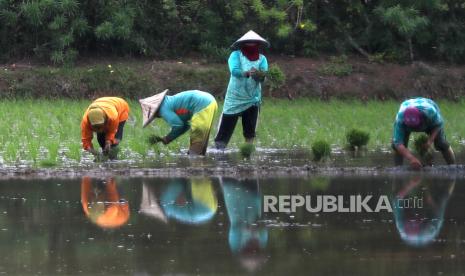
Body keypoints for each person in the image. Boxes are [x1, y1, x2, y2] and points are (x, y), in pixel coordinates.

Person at [214, 30, 269, 149]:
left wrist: (258, 75)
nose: (251, 45)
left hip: (252, 98)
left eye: (253, 43)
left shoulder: (262, 59)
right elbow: (234, 70)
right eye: (248, 43)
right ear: (243, 44)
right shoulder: (236, 55)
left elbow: (264, 77)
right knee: (224, 132)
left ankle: (247, 152)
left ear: (258, 44)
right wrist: (247, 73)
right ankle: (219, 152)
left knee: (250, 133)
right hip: (235, 97)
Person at [140, 89, 217, 155]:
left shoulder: (163, 109)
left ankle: (196, 170)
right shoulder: (169, 101)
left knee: (195, 153)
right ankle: (203, 169)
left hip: (202, 104)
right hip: (211, 102)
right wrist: (167, 139)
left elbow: (178, 125)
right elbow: (185, 125)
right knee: (201, 145)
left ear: (154, 111)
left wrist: (168, 138)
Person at [392, 97, 455, 169]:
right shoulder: (400, 120)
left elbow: (438, 125)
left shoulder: (430, 112)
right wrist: (412, 159)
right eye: (411, 127)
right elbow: (398, 143)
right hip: (406, 109)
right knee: (397, 146)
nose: (414, 129)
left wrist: (430, 141)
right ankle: (398, 169)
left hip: (428, 109)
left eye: (415, 126)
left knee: (441, 143)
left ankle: (452, 166)